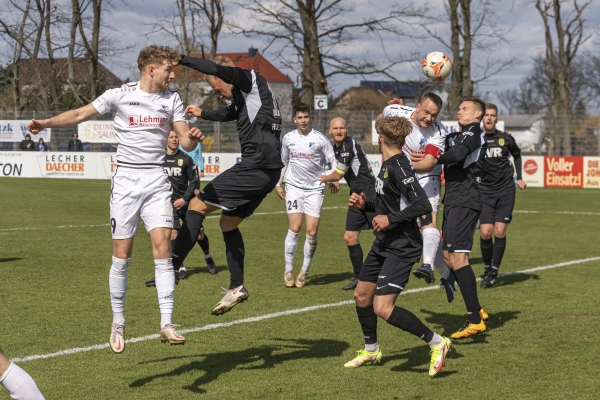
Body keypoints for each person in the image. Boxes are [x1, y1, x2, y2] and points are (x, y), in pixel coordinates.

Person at [27, 45, 203, 353]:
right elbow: (80, 113)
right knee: (122, 256)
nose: (172, 75)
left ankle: (166, 323)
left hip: (156, 180)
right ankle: (118, 320)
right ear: (151, 70)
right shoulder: (119, 95)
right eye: (168, 70)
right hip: (125, 182)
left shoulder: (171, 98)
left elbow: (184, 137)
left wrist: (192, 138)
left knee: (163, 249)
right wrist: (45, 124)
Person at [172, 54, 283, 315]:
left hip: (256, 166)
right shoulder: (248, 96)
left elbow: (214, 69)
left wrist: (181, 59)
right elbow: (228, 113)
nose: (219, 93)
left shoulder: (249, 79)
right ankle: (237, 287)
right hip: (267, 170)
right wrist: (202, 113)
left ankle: (171, 267)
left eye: (216, 88)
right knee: (227, 223)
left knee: (196, 206)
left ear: (225, 79)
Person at [343, 116, 451, 377]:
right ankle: (371, 349)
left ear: (380, 139)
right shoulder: (387, 164)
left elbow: (423, 205)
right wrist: (365, 206)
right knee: (361, 295)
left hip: (403, 246)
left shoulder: (400, 167)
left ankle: (438, 342)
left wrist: (389, 219)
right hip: (384, 241)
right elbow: (387, 206)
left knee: (382, 308)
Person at [380, 93, 456, 302]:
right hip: (402, 176)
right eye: (426, 112)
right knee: (411, 228)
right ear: (418, 106)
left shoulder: (437, 130)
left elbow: (429, 163)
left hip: (426, 177)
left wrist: (403, 165)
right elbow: (381, 121)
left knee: (426, 221)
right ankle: (447, 275)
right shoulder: (397, 111)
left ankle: (427, 266)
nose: (429, 118)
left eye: (434, 114)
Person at [435, 96, 489, 339]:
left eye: (465, 108)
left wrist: (432, 158)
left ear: (478, 114)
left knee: (457, 259)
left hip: (465, 201)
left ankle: (474, 320)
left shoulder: (472, 133)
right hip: (455, 200)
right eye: (458, 108)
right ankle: (476, 308)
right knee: (448, 257)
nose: (459, 111)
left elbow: (456, 155)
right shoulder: (461, 133)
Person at [275, 102, 339, 288]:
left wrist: (333, 177)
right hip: (294, 187)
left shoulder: (320, 139)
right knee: (294, 227)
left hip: (315, 188)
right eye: (300, 117)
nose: (303, 120)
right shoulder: (288, 138)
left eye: (306, 117)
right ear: (295, 119)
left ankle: (304, 271)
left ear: (310, 118)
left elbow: (333, 160)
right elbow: (284, 161)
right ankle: (288, 269)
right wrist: (278, 183)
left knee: (311, 231)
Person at [145, 129, 217, 287]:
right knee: (172, 235)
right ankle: (180, 266)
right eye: (171, 137)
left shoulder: (186, 159)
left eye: (176, 137)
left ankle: (208, 256)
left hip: (188, 203)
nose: (174, 139)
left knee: (198, 236)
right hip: (168, 205)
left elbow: (194, 182)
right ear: (165, 140)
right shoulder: (159, 160)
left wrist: (185, 199)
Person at [319, 118, 377, 290]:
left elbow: (337, 174)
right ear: (330, 131)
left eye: (342, 128)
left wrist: (324, 178)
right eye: (335, 128)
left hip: (368, 193)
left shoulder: (348, 145)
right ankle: (359, 277)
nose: (339, 131)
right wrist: (336, 178)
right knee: (350, 237)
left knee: (381, 234)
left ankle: (385, 273)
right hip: (355, 194)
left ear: (347, 129)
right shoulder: (337, 147)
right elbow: (341, 171)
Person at [479, 103, 526, 288]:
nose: (489, 118)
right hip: (485, 191)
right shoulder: (476, 140)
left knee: (499, 231)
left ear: (496, 119)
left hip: (505, 190)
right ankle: (486, 267)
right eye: (487, 115)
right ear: (482, 118)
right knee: (485, 232)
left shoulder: (506, 139)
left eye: (492, 115)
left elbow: (517, 155)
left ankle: (494, 271)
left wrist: (520, 177)